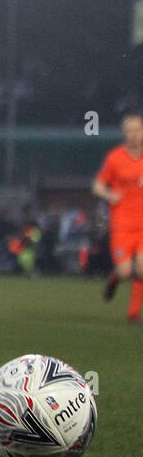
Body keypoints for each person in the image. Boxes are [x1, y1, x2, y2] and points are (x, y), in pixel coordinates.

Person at [91, 112, 143, 322]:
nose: (133, 134)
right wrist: (109, 194)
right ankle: (114, 280)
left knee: (141, 268)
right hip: (122, 223)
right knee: (124, 271)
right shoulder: (115, 158)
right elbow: (97, 185)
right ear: (124, 133)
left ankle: (133, 313)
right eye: (129, 131)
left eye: (137, 130)